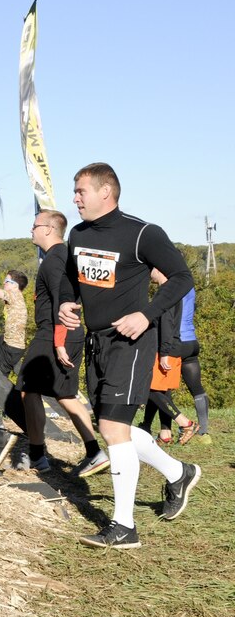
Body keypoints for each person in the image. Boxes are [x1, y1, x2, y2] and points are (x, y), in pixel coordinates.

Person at [58, 163, 201, 549]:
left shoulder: (142, 233)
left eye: (81, 191)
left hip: (133, 341)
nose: (75, 198)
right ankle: (178, 472)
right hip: (97, 341)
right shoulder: (79, 233)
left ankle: (124, 527)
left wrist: (146, 314)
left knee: (111, 429)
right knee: (111, 424)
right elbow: (76, 277)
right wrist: (69, 303)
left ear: (106, 192)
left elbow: (182, 277)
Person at [15, 210, 108, 476]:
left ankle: (37, 455)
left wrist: (58, 341)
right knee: (65, 394)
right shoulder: (63, 256)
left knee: (27, 389)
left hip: (55, 332)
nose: (31, 230)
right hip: (68, 332)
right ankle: (94, 453)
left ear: (48, 229)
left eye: (34, 226)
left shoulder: (55, 259)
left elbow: (62, 300)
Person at [139, 269, 198, 444]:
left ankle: (185, 423)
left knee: (149, 388)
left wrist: (164, 353)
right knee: (161, 390)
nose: (151, 272)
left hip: (167, 348)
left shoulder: (166, 292)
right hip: (170, 346)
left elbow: (167, 323)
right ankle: (164, 434)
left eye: (153, 268)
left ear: (160, 270)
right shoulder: (173, 291)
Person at [177, 286, 211, 443]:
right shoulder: (189, 286)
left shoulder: (171, 286)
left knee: (161, 389)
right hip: (191, 340)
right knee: (197, 388)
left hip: (177, 340)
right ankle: (204, 431)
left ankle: (164, 431)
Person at [0, 270, 28, 375]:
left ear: (15, 285)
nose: (3, 283)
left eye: (6, 281)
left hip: (11, 350)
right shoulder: (16, 297)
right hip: (6, 342)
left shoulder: (15, 295)